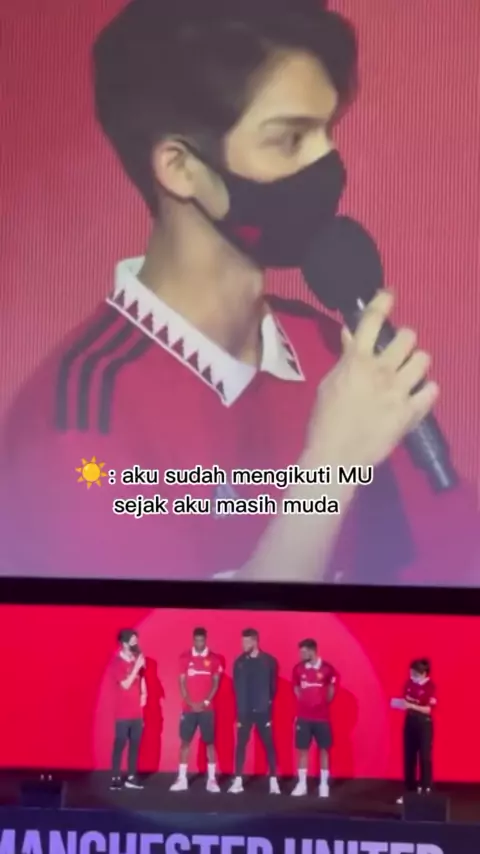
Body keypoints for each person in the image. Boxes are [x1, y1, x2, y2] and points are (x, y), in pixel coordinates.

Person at [1, 0, 478, 586]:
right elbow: (180, 643)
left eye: (327, 133)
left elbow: (447, 562)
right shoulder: (77, 427)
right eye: (290, 139)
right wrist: (330, 468)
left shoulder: (332, 348)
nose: (328, 163)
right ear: (180, 168)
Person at [170, 627, 222, 793]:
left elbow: (216, 683)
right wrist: (190, 702)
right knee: (185, 743)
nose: (199, 643)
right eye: (197, 640)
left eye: (202, 640)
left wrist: (205, 701)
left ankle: (212, 780)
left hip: (207, 709)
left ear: (205, 640)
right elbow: (181, 682)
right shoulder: (184, 657)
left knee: (210, 743)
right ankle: (182, 779)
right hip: (189, 709)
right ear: (193, 640)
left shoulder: (214, 659)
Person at [229, 629, 280, 794]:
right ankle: (238, 781)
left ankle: (274, 781)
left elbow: (273, 687)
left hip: (263, 710)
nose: (243, 645)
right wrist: (239, 709)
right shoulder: (239, 662)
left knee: (269, 744)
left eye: (246, 642)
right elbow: (236, 687)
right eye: (242, 641)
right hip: (244, 711)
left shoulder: (269, 661)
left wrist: (266, 703)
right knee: (240, 744)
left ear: (255, 641)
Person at [291, 638, 337, 798]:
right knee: (302, 750)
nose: (301, 655)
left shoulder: (327, 669)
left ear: (312, 651)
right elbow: (296, 688)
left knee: (324, 750)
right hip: (303, 717)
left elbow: (331, 691)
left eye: (303, 652)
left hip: (322, 717)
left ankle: (324, 784)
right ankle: (302, 784)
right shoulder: (298, 669)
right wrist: (305, 703)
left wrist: (321, 704)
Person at [395, 658, 436, 804]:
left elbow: (428, 709)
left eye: (414, 673)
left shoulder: (430, 687)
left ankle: (425, 787)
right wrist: (400, 704)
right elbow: (406, 700)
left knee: (424, 756)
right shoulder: (409, 684)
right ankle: (409, 791)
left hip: (424, 724)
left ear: (423, 673)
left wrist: (412, 706)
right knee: (409, 757)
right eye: (411, 673)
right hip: (410, 722)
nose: (412, 676)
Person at [110, 629, 147, 790]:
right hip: (123, 712)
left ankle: (131, 777)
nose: (135, 643)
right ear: (124, 643)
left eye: (136, 640)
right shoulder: (117, 663)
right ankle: (115, 777)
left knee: (135, 744)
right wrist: (136, 667)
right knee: (120, 743)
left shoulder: (136, 659)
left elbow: (141, 678)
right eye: (132, 641)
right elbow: (125, 685)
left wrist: (144, 693)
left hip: (136, 712)